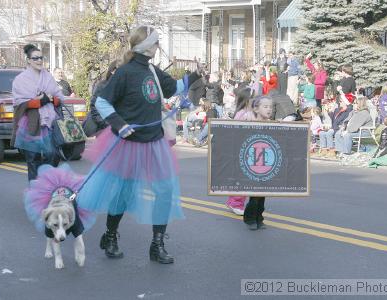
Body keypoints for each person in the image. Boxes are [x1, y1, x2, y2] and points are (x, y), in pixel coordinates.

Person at [76, 26, 202, 263]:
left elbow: (173, 88)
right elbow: (102, 102)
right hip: (128, 144)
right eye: (155, 43)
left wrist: (195, 74)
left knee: (164, 191)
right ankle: (111, 235)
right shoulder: (124, 73)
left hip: (155, 142)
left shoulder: (152, 70)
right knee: (123, 192)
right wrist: (120, 124)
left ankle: (157, 244)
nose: (158, 46)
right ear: (146, 46)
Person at [11, 44, 63, 181]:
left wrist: (51, 99)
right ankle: (35, 193)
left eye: (41, 57)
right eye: (36, 58)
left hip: (49, 122)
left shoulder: (49, 77)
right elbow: (20, 103)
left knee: (53, 155)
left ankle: (45, 183)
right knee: (33, 159)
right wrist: (40, 101)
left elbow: (59, 99)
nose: (40, 61)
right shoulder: (20, 80)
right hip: (30, 123)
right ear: (28, 60)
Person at [243, 95, 273, 230]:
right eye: (265, 106)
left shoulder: (274, 124)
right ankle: (250, 218)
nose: (269, 109)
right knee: (255, 195)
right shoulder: (249, 121)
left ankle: (259, 218)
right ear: (256, 108)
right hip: (252, 163)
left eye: (271, 107)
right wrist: (248, 118)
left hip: (266, 164)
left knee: (262, 195)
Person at [225, 87, 255, 215]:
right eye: (253, 98)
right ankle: (236, 203)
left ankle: (234, 201)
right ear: (247, 100)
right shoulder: (244, 114)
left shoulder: (246, 112)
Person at [84, 60, 118, 137]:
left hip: (117, 128)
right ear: (113, 71)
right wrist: (105, 124)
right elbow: (94, 107)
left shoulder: (122, 85)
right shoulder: (103, 85)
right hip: (102, 128)